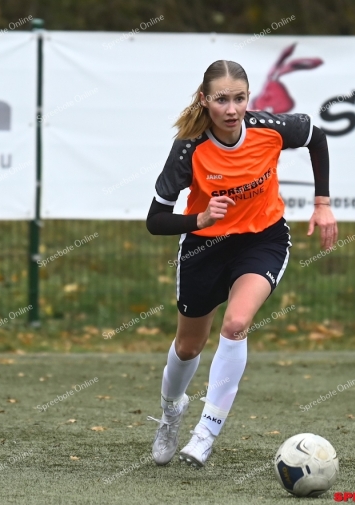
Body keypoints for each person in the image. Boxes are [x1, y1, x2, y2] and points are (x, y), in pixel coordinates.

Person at [145, 60, 336, 468]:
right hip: (203, 247)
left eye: (239, 99)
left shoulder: (270, 128)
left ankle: (206, 433)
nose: (231, 109)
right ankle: (170, 414)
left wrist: (322, 204)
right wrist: (200, 219)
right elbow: (155, 220)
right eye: (221, 100)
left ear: (248, 99)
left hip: (262, 240)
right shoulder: (189, 148)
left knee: (235, 325)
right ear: (204, 100)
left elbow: (316, 137)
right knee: (188, 345)